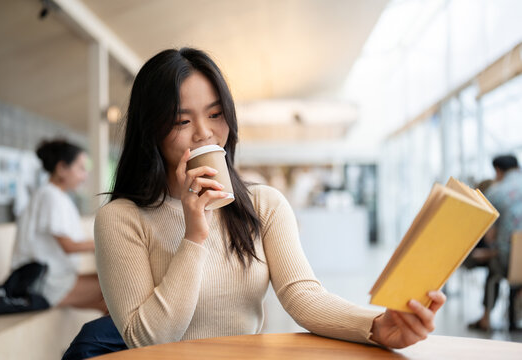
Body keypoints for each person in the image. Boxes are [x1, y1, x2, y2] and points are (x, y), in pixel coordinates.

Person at [92, 48, 445, 352]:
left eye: (215, 114)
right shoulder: (121, 219)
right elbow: (148, 340)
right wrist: (194, 236)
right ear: (150, 130)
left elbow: (303, 297)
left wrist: (378, 325)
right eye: (182, 120)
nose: (204, 131)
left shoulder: (263, 204)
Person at [11, 139, 106, 312]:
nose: (84, 176)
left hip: (51, 278)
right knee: (116, 290)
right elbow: (68, 246)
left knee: (110, 305)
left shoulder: (56, 196)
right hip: (41, 282)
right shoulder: (50, 196)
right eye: (81, 169)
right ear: (62, 168)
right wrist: (103, 244)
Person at [469, 155, 522, 331]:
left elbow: (489, 236)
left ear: (498, 171)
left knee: (494, 269)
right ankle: (514, 317)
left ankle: (486, 319)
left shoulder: (496, 191)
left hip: (509, 259)